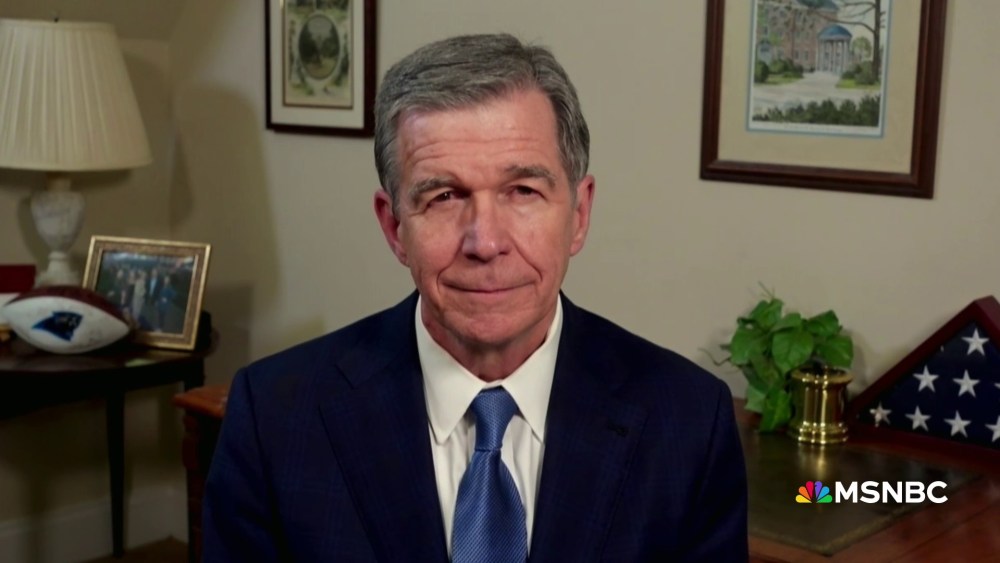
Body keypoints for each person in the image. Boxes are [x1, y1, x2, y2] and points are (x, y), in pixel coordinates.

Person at [204, 33, 748, 562]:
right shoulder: (274, 420)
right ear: (394, 227)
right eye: (443, 196)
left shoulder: (688, 421)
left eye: (523, 191)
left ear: (579, 215)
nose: (485, 243)